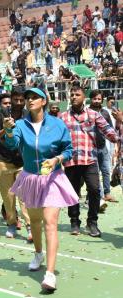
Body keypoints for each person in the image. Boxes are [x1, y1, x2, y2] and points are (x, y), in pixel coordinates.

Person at [3, 87, 78, 291]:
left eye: (34, 97)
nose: (29, 100)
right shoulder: (20, 124)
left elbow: (69, 149)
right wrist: (9, 130)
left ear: (44, 101)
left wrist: (57, 159)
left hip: (53, 177)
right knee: (35, 221)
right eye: (27, 98)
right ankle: (38, 253)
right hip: (31, 178)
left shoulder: (57, 124)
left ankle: (50, 274)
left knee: (50, 223)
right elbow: (12, 145)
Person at [61, 86, 118, 237]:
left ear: (83, 97)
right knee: (72, 193)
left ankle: (92, 222)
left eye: (77, 94)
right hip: (71, 161)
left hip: (90, 160)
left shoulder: (93, 114)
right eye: (71, 94)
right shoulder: (63, 117)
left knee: (94, 190)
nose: (74, 97)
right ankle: (74, 221)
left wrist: (118, 135)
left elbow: (109, 132)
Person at [0, 92, 32, 241]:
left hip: (23, 161)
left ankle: (29, 226)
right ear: (11, 101)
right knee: (8, 196)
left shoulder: (28, 115)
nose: (19, 102)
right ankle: (12, 224)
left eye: (22, 99)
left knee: (24, 195)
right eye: (16, 100)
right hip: (3, 161)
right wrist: (5, 129)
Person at [89, 90, 115, 203]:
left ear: (102, 100)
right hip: (90, 147)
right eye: (94, 98)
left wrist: (116, 146)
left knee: (106, 171)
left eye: (99, 99)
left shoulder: (105, 113)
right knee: (94, 173)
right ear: (91, 99)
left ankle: (107, 193)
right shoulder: (86, 111)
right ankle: (97, 196)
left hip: (103, 146)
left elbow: (111, 129)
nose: (96, 101)